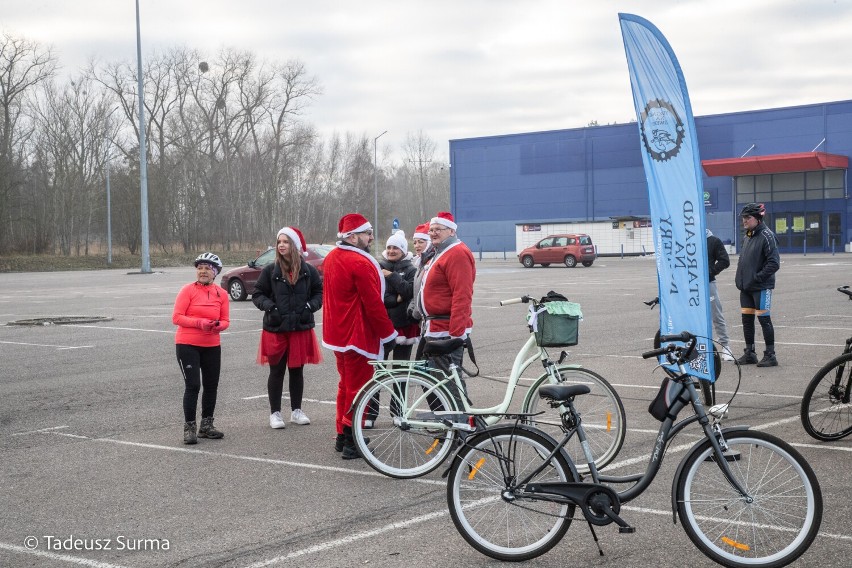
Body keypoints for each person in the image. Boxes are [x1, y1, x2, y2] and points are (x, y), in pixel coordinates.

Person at [322, 213, 397, 459]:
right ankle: (353, 440)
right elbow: (373, 304)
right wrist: (388, 334)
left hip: (338, 335)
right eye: (367, 233)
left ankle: (342, 435)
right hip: (358, 336)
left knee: (345, 386)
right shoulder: (360, 262)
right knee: (360, 389)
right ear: (353, 237)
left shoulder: (332, 257)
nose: (371, 237)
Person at [252, 226, 323, 429]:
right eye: (279, 242)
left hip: (299, 328)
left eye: (285, 242)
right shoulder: (270, 271)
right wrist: (270, 307)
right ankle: (275, 413)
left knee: (296, 371)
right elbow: (258, 294)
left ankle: (296, 411)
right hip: (276, 329)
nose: (281, 245)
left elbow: (319, 293)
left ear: (295, 246)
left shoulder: (308, 271)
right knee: (277, 371)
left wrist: (310, 306)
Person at [172, 252, 230, 444]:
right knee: (193, 385)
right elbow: (177, 317)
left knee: (211, 385)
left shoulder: (221, 294)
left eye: (207, 269)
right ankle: (189, 428)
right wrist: (200, 323)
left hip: (212, 345)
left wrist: (219, 326)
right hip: (187, 344)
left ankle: (207, 426)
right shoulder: (187, 290)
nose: (203, 272)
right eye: (200, 268)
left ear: (215, 273)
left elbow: (225, 320)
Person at [364, 230, 419, 428]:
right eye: (389, 247)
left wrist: (392, 276)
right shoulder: (377, 266)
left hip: (405, 327)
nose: (391, 250)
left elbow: (410, 290)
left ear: (403, 250)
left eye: (396, 247)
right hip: (383, 327)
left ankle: (398, 411)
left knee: (401, 372)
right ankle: (371, 413)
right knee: (378, 372)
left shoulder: (412, 269)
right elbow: (379, 296)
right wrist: (395, 297)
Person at [419, 211, 476, 402]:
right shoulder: (440, 252)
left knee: (449, 384)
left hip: (446, 331)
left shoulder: (457, 253)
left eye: (438, 230)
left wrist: (457, 332)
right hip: (434, 328)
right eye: (431, 230)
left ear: (451, 231)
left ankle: (463, 425)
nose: (433, 233)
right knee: (439, 381)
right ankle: (453, 424)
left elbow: (462, 294)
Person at [734, 203, 781, 367]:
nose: (744, 221)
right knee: (747, 320)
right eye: (743, 218)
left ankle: (770, 355)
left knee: (764, 320)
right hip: (745, 288)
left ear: (758, 219)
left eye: (748, 218)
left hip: (761, 287)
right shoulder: (748, 236)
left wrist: (757, 277)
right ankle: (750, 353)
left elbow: (774, 263)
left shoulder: (768, 236)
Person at [706, 229, 734, 361]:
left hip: (708, 283)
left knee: (716, 314)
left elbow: (724, 260)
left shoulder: (713, 240)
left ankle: (725, 346)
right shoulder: (688, 240)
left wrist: (710, 272)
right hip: (690, 286)